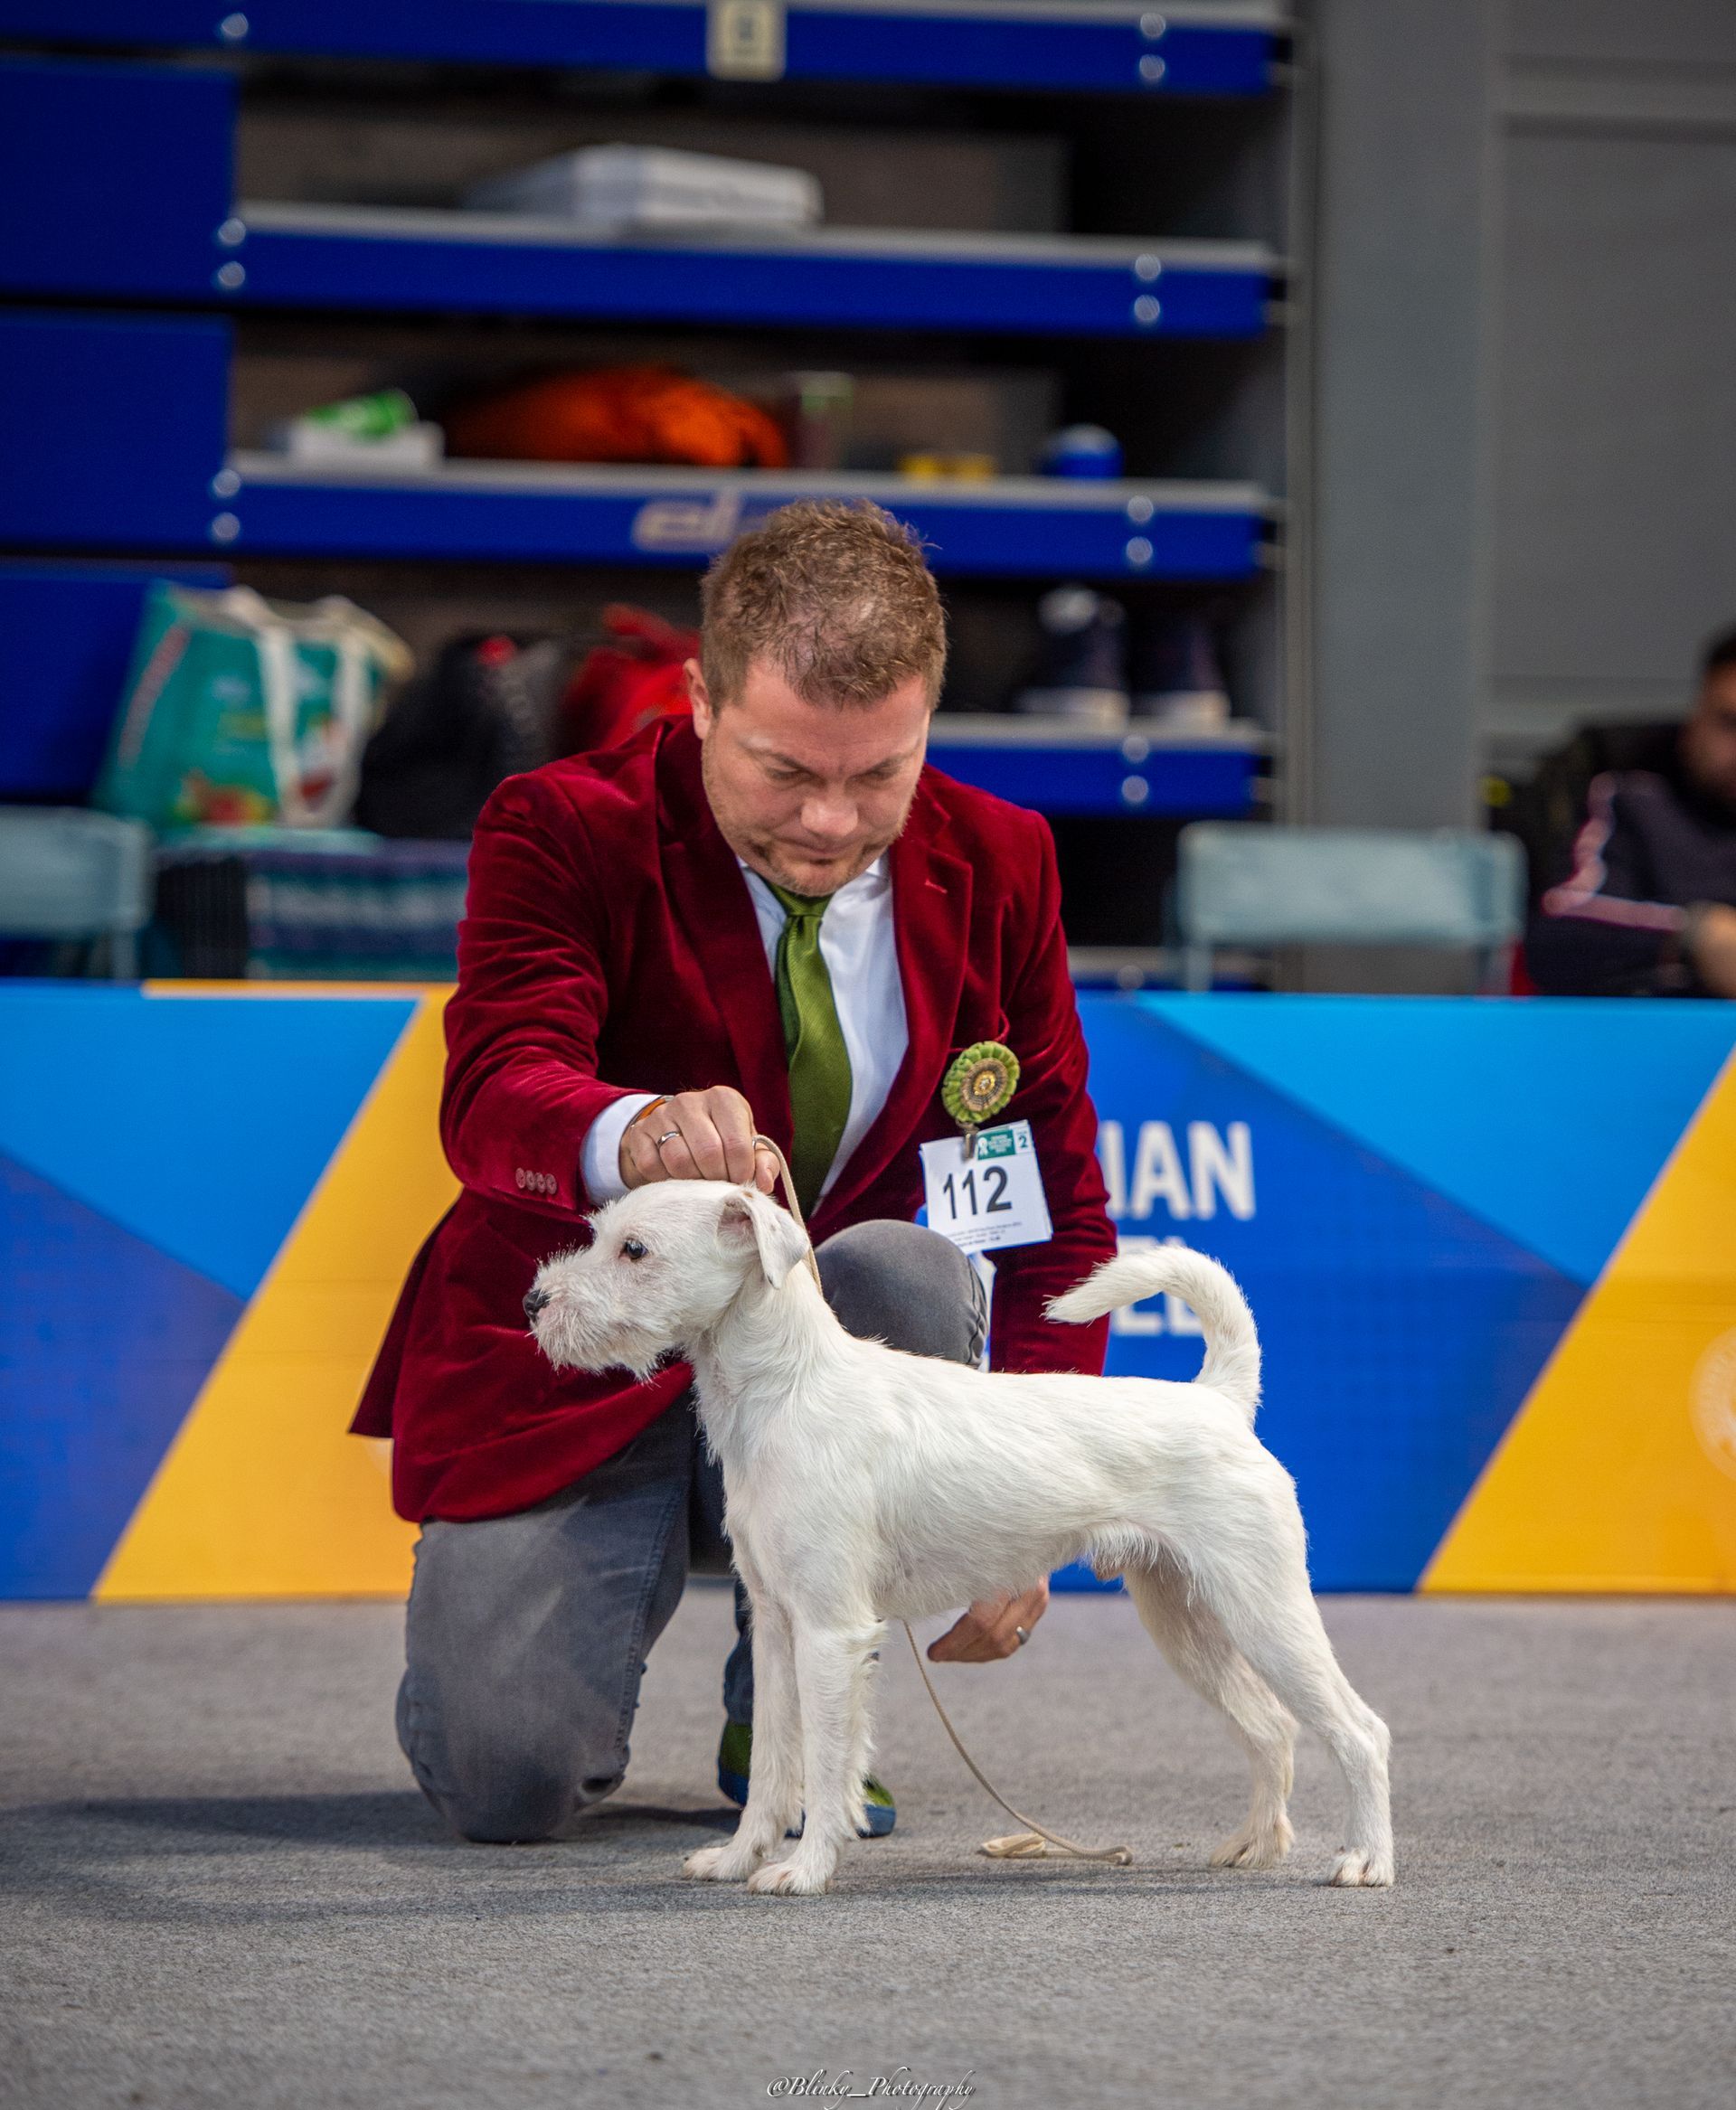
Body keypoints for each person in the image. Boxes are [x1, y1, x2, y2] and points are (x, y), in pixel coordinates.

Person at [352, 499, 1118, 1843]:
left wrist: (1051, 1484)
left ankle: (799, 1717)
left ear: (929, 719)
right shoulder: (560, 823)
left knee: (902, 1265)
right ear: (700, 700)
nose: (831, 820)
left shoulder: (1005, 858)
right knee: (507, 1784)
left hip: (835, 1388)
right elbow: (494, 1090)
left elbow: (1050, 1200)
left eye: (880, 773)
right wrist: (628, 1127)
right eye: (784, 771)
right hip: (583, 1373)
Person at [1524, 623, 1736, 996]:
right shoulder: (1632, 801)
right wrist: (1694, 935)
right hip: (1662, 1023)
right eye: (1730, 723)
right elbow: (1560, 930)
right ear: (1696, 717)